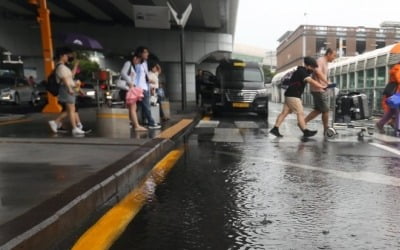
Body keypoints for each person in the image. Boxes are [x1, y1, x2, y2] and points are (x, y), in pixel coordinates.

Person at [270, 57, 327, 138]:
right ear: (308, 66)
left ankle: (275, 129)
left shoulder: (300, 71)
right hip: (293, 96)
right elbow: (311, 81)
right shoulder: (302, 72)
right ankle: (305, 131)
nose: (313, 69)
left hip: (290, 95)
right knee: (300, 113)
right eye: (312, 67)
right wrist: (322, 86)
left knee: (284, 113)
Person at [48, 47, 85, 136]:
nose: (68, 57)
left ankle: (57, 123)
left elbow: (70, 76)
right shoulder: (60, 67)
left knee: (71, 109)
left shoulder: (63, 67)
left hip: (68, 88)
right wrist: (69, 89)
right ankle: (74, 128)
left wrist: (76, 66)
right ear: (62, 56)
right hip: (66, 89)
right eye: (67, 56)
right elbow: (64, 79)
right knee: (72, 109)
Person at [304, 48, 336, 133]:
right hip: (318, 89)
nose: (334, 58)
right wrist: (327, 82)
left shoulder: (325, 62)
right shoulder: (320, 61)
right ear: (328, 54)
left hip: (320, 89)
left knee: (318, 110)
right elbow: (318, 72)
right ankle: (326, 129)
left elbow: (322, 74)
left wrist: (327, 83)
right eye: (334, 56)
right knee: (326, 110)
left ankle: (303, 122)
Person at [120, 54, 147, 132]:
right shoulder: (128, 63)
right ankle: (136, 125)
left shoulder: (132, 65)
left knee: (132, 108)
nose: (138, 63)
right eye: (138, 61)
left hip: (129, 89)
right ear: (135, 58)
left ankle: (132, 123)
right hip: (128, 89)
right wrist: (130, 82)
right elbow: (123, 73)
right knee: (133, 108)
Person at [135, 46, 161, 129]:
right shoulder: (136, 62)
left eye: (147, 52)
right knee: (145, 106)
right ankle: (151, 123)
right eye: (145, 52)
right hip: (140, 88)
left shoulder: (144, 63)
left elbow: (144, 76)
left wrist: (149, 81)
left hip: (144, 87)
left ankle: (135, 122)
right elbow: (136, 76)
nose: (147, 54)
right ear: (140, 53)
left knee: (138, 107)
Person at [376, 64, 400, 133]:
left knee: (391, 111)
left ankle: (380, 123)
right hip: (396, 93)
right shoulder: (398, 68)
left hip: (396, 93)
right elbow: (398, 79)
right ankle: (398, 128)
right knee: (397, 110)